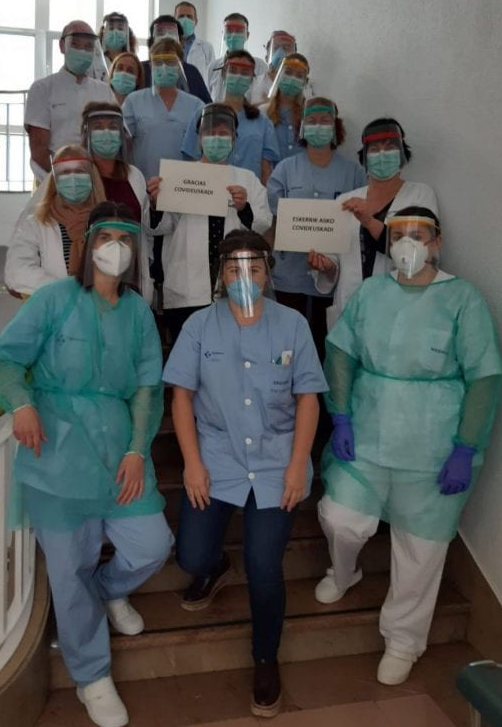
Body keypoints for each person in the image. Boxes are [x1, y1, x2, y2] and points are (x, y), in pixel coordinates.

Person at [0, 202, 171, 727]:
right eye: (105, 236)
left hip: (118, 450)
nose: (115, 247)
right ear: (86, 244)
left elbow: (146, 387)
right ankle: (92, 676)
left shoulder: (138, 312)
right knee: (68, 570)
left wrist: (137, 450)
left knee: (151, 545)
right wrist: (21, 404)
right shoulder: (53, 300)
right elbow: (2, 360)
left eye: (125, 239)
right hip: (57, 453)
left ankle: (108, 591)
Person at [314, 208, 502, 687]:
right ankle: (344, 572)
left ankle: (403, 639)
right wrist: (341, 415)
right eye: (398, 235)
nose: (407, 244)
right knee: (340, 518)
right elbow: (341, 352)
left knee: (421, 548)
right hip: (368, 433)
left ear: (436, 242)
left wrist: (465, 448)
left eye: (418, 235)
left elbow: (484, 376)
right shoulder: (372, 292)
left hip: (432, 445)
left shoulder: (463, 299)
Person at [163, 230, 326, 718]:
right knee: (191, 555)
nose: (244, 277)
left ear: (268, 272)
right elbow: (182, 397)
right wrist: (192, 463)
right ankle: (214, 566)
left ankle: (265, 658)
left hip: (277, 462)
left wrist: (297, 466)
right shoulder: (199, 325)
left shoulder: (292, 324)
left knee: (263, 566)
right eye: (234, 268)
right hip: (217, 457)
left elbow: (308, 399)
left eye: (253, 267)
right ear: (221, 273)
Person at [150, 103, 273, 339]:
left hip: (237, 288)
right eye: (210, 133)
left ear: (234, 139)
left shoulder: (247, 179)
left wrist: (244, 209)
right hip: (187, 291)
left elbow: (263, 224)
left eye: (223, 133)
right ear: (199, 139)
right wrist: (157, 204)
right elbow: (161, 227)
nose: (216, 139)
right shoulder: (179, 177)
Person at [309, 117, 439, 326]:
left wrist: (370, 221)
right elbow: (335, 261)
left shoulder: (420, 195)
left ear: (402, 154)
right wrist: (326, 267)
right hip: (350, 308)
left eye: (390, 148)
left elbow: (418, 256)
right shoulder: (345, 201)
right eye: (374, 149)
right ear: (364, 158)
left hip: (399, 311)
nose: (382, 155)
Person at [265, 97, 366, 354]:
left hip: (334, 274)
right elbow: (273, 217)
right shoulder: (285, 169)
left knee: (323, 343)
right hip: (289, 274)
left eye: (325, 121)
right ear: (302, 128)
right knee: (286, 343)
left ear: (335, 127)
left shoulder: (354, 172)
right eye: (311, 121)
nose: (318, 126)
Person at [121, 39, 205, 310]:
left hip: (181, 197)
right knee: (143, 261)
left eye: (171, 62)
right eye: (159, 62)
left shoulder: (195, 105)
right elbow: (123, 145)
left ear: (180, 66)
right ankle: (144, 314)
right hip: (142, 193)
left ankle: (168, 318)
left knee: (173, 261)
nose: (165, 67)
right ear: (151, 64)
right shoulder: (135, 101)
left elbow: (198, 153)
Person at [5, 145, 107, 296]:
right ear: (55, 180)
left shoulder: (107, 221)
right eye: (65, 172)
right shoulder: (35, 223)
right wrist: (66, 292)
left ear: (92, 176)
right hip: (55, 306)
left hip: (99, 307)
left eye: (79, 171)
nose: (73, 178)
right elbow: (17, 271)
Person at [82, 102, 154, 304]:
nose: (106, 133)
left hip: (130, 276)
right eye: (98, 127)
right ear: (86, 134)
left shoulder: (134, 175)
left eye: (113, 127)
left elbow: (146, 228)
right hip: (90, 276)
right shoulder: (76, 176)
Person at [25, 21, 116, 179]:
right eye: (75, 44)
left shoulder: (104, 91)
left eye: (88, 46)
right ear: (62, 46)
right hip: (55, 179)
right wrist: (61, 182)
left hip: (99, 180)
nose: (82, 50)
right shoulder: (42, 89)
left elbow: (117, 138)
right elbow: (39, 150)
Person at [181, 50, 280, 185]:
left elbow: (265, 169)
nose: (238, 76)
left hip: (248, 192)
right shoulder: (203, 114)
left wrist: (261, 195)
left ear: (252, 79)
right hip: (208, 189)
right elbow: (191, 160)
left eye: (244, 72)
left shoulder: (262, 122)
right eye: (233, 70)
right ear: (224, 74)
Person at [141, 15, 212, 104]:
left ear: (181, 42)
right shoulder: (141, 70)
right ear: (151, 42)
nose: (166, 37)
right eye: (160, 33)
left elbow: (207, 106)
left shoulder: (191, 72)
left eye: (171, 33)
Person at [263, 54, 311, 162]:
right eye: (288, 72)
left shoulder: (309, 117)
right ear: (278, 75)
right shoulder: (263, 113)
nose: (292, 78)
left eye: (299, 75)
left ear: (305, 82)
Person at [252, 31, 313, 105]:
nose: (280, 52)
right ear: (267, 58)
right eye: (275, 48)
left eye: (286, 48)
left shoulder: (303, 88)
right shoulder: (252, 85)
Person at [206, 13, 256, 98]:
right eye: (229, 31)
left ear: (247, 35)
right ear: (223, 35)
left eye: (239, 31)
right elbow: (207, 98)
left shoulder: (259, 66)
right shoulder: (213, 67)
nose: (233, 35)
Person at [91, 11, 138, 81]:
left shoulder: (132, 61)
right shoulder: (94, 59)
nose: (115, 32)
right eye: (111, 28)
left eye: (120, 29)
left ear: (127, 34)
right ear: (104, 32)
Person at [174, 1, 216, 76]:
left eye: (189, 17)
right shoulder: (166, 47)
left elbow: (212, 76)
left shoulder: (206, 48)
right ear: (174, 21)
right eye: (181, 16)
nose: (185, 20)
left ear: (196, 21)